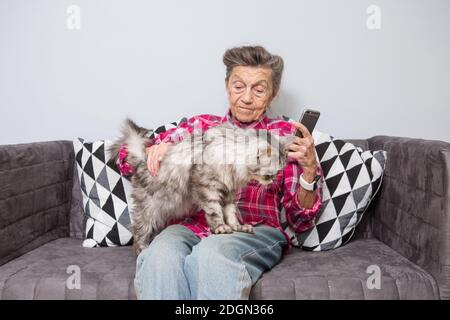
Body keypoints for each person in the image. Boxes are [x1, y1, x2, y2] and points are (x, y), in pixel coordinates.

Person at [117, 45, 324, 299]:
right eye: (239, 87)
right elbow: (126, 161)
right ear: (227, 86)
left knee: (211, 256)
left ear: (272, 94)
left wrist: (309, 170)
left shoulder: (284, 136)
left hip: (253, 229)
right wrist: (158, 150)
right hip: (188, 227)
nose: (247, 98)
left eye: (259, 90)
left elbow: (301, 220)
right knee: (160, 258)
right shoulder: (200, 126)